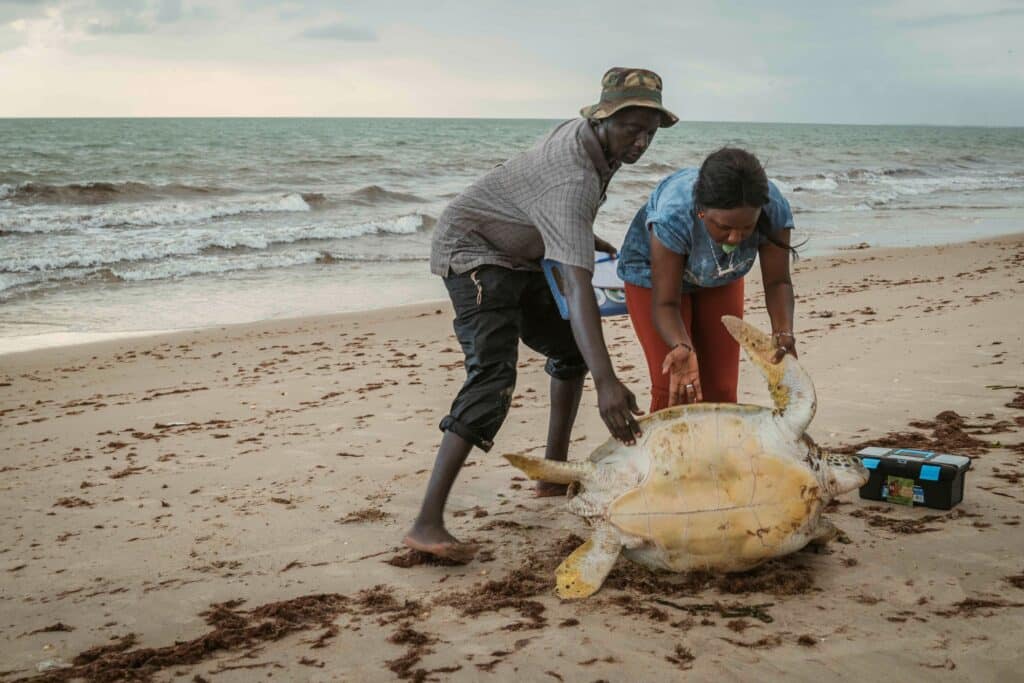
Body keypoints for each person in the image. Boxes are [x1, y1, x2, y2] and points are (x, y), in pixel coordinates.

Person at [404, 68, 678, 562]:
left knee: (571, 351)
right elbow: (577, 289)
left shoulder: (592, 144)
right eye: (629, 130)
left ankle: (552, 474)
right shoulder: (571, 179)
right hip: (473, 252)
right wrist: (608, 382)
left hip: (521, 250)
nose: (639, 143)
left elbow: (531, 192)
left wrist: (575, 235)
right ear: (602, 119)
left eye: (649, 134)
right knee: (492, 380)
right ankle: (427, 523)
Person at [616, 147, 798, 412]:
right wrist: (681, 345)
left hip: (719, 274)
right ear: (701, 211)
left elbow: (778, 282)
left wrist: (783, 332)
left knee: (721, 390)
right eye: (724, 227)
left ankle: (718, 454)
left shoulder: (774, 208)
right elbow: (666, 303)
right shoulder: (674, 214)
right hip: (651, 275)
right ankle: (667, 454)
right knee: (677, 389)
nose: (736, 238)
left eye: (747, 227)